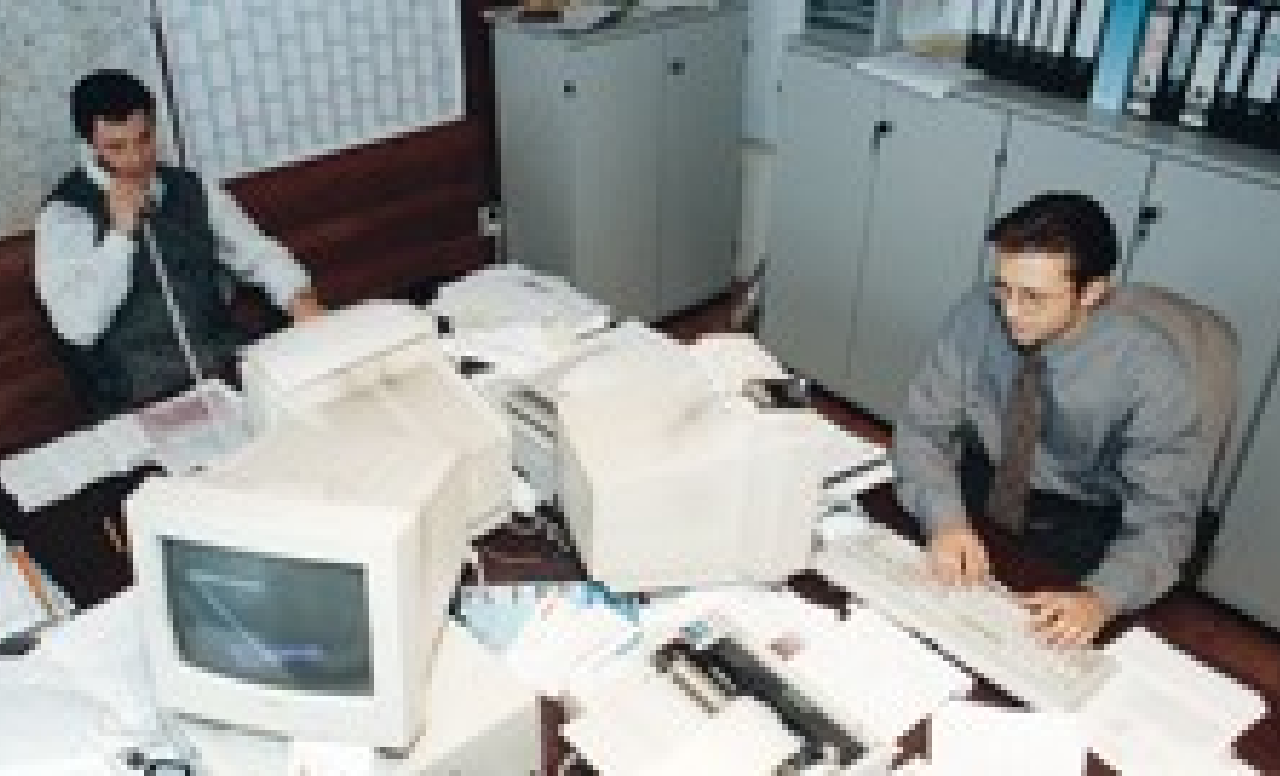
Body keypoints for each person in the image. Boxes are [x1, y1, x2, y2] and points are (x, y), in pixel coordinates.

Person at [893, 192, 1213, 647]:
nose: (1010, 311)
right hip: (978, 490)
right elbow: (922, 428)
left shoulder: (1151, 372)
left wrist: (1101, 598)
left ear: (1092, 292)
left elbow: (1165, 518)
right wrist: (945, 519)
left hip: (1077, 529)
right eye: (1003, 288)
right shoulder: (977, 313)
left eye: (1033, 297)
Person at [35, 69, 323, 417]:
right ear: (88, 145)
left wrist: (304, 305)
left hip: (225, 370)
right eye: (116, 147)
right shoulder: (65, 216)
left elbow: (259, 255)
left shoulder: (192, 188)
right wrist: (120, 236)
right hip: (139, 399)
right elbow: (77, 327)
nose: (136, 158)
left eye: (144, 139)